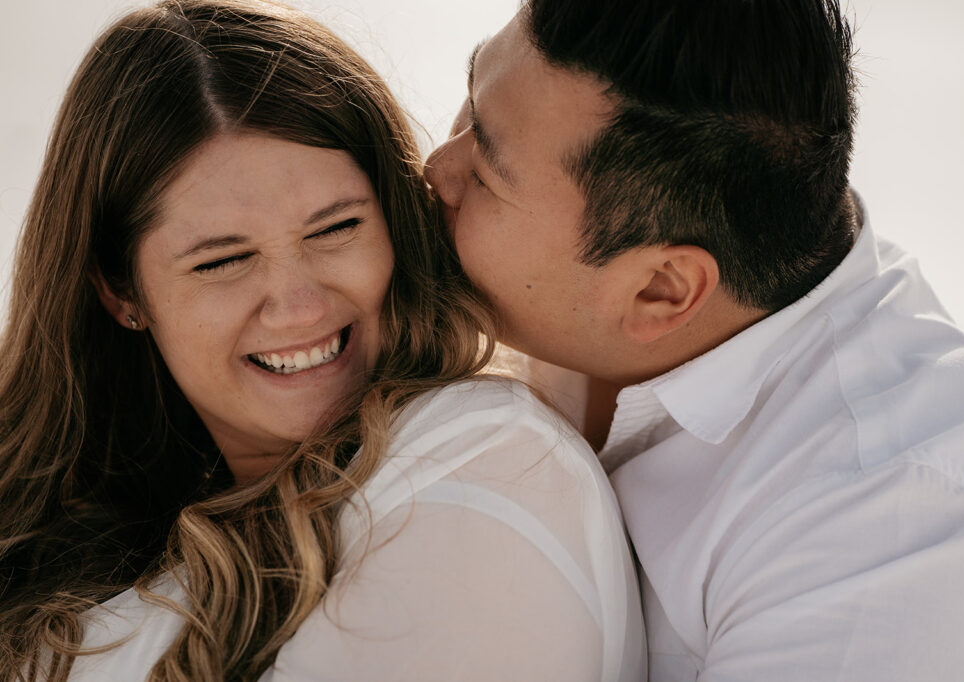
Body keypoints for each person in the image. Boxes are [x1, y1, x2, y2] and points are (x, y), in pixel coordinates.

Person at [0, 1, 647, 680]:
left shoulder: (478, 452)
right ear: (120, 291)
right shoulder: (63, 543)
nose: (298, 307)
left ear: (393, 219)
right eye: (223, 261)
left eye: (335, 229)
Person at [425, 0, 964, 679]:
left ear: (662, 292)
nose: (433, 169)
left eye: (484, 175)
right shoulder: (571, 298)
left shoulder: (890, 518)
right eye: (471, 107)